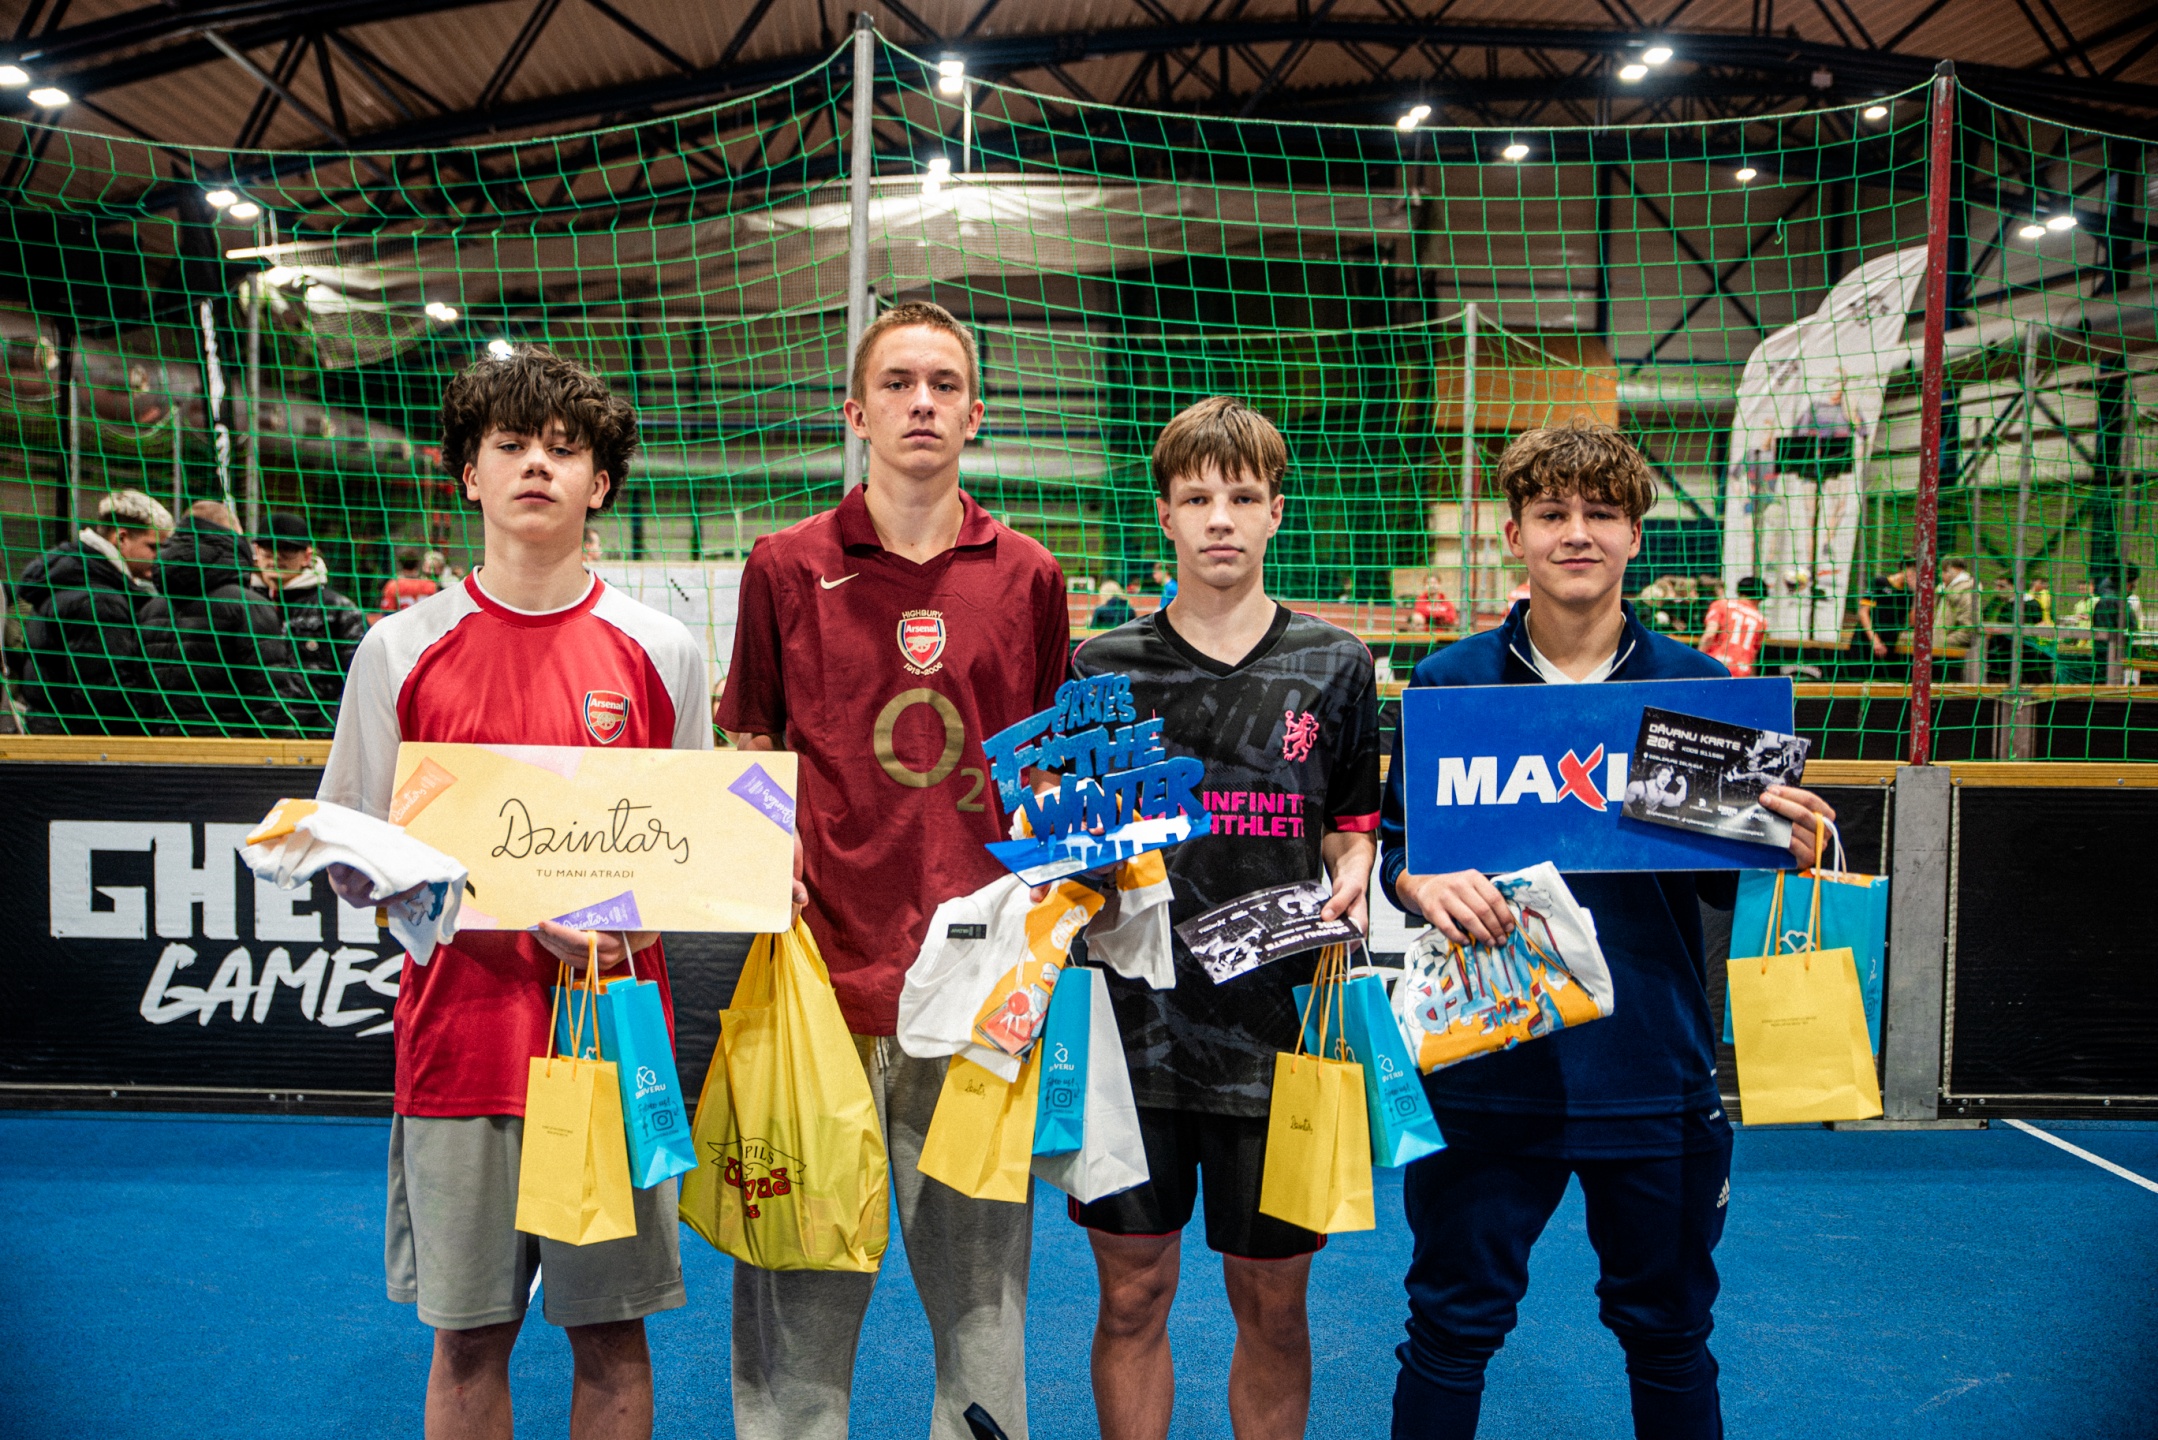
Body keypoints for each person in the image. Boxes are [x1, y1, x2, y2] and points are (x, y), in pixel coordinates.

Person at [1378, 421, 1837, 1440]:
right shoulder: (1451, 687)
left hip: (1653, 1069)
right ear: (1514, 536)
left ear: (1634, 535)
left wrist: (1791, 842)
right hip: (1485, 1065)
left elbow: (1733, 867)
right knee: (1449, 1328)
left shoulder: (1698, 692)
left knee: (1668, 1333)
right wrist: (1416, 880)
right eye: (1552, 514)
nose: (1575, 534)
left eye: (1600, 514)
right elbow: (1399, 858)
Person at [317, 346, 710, 1440]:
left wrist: (623, 914)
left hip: (610, 1044)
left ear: (601, 484)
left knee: (612, 1337)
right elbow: (357, 863)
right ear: (470, 476)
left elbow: (692, 849)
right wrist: (428, 888)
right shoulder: (397, 650)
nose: (537, 464)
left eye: (564, 449)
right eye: (510, 445)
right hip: (462, 1042)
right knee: (467, 1340)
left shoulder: (662, 650)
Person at [716, 300, 1069, 1440]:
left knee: (983, 1313)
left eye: (944, 384)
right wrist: (765, 842)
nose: (923, 402)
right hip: (820, 987)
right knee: (799, 1304)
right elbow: (749, 740)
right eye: (899, 383)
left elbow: (1048, 763)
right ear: (856, 412)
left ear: (977, 412)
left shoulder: (1029, 575)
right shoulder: (784, 566)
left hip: (979, 1001)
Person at [1070, 396, 1379, 1440]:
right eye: (1196, 497)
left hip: (1280, 1037)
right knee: (1131, 1296)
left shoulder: (1336, 664)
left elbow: (1350, 828)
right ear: (1163, 513)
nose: (1219, 518)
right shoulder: (1101, 668)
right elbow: (1068, 836)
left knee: (1274, 1308)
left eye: (1242, 497)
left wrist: (1356, 867)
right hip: (1133, 1037)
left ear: (1275, 513)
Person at [141, 499, 310, 736]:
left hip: (163, 748)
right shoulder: (248, 607)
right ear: (232, 537)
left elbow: (140, 696)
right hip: (231, 750)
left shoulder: (149, 610)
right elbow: (268, 697)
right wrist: (286, 749)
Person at [17, 488, 171, 733]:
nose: (161, 557)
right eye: (153, 547)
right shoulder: (99, 601)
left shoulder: (69, 579)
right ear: (121, 538)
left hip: (51, 734)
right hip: (82, 745)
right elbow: (104, 696)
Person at [251, 512, 367, 735]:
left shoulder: (338, 611)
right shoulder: (239, 605)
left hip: (317, 738)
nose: (276, 557)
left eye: (287, 550)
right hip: (251, 734)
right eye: (268, 549)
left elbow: (359, 681)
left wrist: (326, 730)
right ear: (256, 552)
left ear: (307, 556)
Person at [1849, 557, 1915, 679]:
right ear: (1906, 568)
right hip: (1864, 642)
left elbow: (1912, 622)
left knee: (1880, 684)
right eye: (1915, 571)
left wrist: (1917, 594)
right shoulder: (1879, 582)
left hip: (1887, 646)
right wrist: (1875, 641)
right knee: (1858, 681)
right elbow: (1863, 612)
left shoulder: (1909, 594)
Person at [1697, 575, 1767, 677]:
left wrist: (1697, 660)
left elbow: (1709, 635)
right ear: (1760, 598)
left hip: (1717, 665)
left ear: (1739, 591)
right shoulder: (1761, 620)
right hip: (1741, 670)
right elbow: (1753, 654)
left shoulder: (1722, 605)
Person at [1934, 556, 1980, 660]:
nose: (1940, 575)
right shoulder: (1943, 589)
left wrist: (1943, 641)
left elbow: (1968, 628)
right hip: (1938, 650)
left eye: (1944, 571)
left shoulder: (1968, 591)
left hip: (1953, 655)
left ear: (1956, 569)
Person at [380, 548, 438, 617]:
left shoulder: (393, 585)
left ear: (400, 563)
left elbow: (387, 612)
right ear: (418, 563)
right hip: (424, 621)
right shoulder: (430, 585)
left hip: (403, 621)